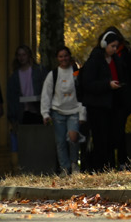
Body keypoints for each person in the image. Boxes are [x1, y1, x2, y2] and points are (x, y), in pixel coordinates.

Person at [76, 28, 131, 171]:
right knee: (100, 138)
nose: (114, 49)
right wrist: (107, 85)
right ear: (105, 45)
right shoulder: (94, 61)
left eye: (116, 47)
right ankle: (99, 167)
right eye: (112, 46)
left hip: (113, 104)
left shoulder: (116, 60)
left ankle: (110, 166)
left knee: (112, 137)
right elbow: (88, 83)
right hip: (97, 105)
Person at [39, 46, 88, 175]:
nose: (64, 58)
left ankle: (74, 164)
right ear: (57, 59)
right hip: (57, 112)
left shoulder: (76, 73)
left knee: (73, 138)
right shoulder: (53, 74)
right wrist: (45, 113)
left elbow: (82, 93)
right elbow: (46, 94)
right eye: (61, 56)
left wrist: (82, 114)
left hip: (74, 111)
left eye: (66, 55)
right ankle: (65, 169)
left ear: (69, 56)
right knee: (60, 142)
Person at [0, 44, 47, 161]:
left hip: (38, 111)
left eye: (24, 54)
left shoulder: (39, 71)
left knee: (40, 141)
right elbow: (11, 98)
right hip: (23, 112)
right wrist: (12, 119)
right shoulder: (14, 77)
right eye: (19, 55)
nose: (21, 58)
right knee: (26, 143)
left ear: (29, 55)